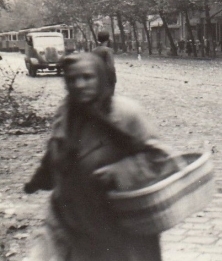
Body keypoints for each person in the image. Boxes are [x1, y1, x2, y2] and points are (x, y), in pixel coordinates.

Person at [24, 53, 178, 261]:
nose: (79, 85)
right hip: (72, 224)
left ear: (101, 78)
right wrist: (41, 178)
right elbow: (57, 151)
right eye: (71, 79)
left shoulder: (125, 113)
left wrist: (121, 171)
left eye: (87, 77)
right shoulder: (66, 113)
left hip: (121, 230)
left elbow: (162, 159)